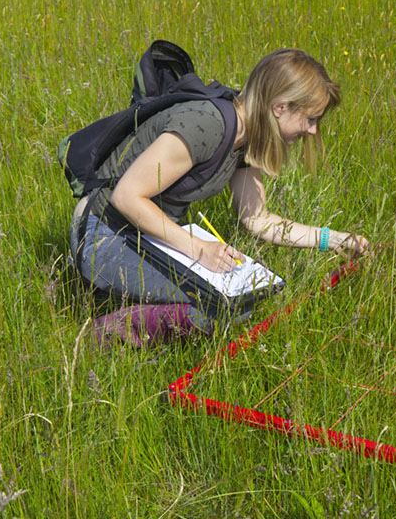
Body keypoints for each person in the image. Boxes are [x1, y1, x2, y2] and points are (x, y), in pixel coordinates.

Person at [70, 48, 369, 347]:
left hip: (146, 238)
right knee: (222, 308)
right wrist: (199, 249)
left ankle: (129, 298)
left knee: (242, 300)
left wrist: (333, 240)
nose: (313, 130)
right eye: (311, 118)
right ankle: (104, 335)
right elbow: (126, 197)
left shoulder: (248, 136)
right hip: (103, 234)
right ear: (280, 107)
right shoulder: (207, 125)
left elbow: (258, 220)